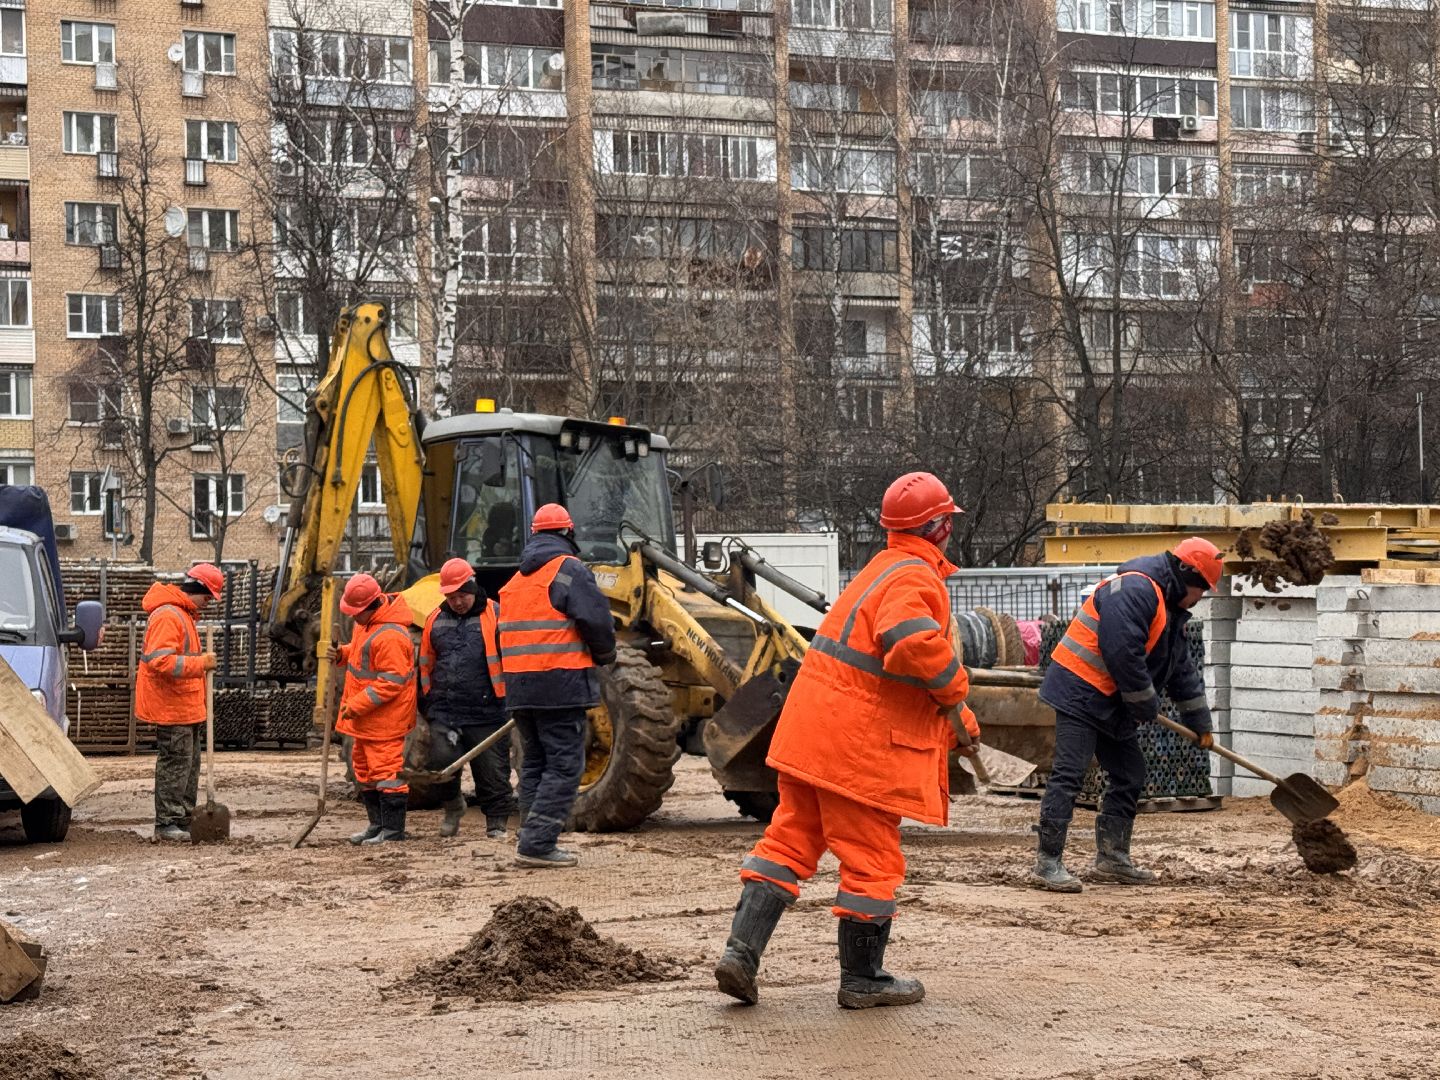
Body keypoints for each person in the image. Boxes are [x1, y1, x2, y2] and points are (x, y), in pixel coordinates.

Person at [714, 472, 979, 1010]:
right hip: (855, 749)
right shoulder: (915, 577)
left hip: (812, 735)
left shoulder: (878, 571)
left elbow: (879, 664)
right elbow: (908, 642)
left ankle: (740, 953)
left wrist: (960, 720)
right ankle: (863, 978)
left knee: (788, 842)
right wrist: (956, 686)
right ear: (941, 526)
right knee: (872, 860)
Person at [1030, 537, 1222, 892]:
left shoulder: (1171, 608)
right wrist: (1144, 702)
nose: (1201, 598)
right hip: (1079, 690)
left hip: (1110, 698)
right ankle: (1048, 861)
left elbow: (1181, 671)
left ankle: (1112, 858)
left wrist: (1201, 724)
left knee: (1130, 772)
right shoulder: (1135, 589)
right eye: (1202, 589)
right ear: (1186, 575)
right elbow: (1121, 652)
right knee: (1070, 773)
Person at [498, 503, 616, 869]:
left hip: (520, 688)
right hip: (559, 684)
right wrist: (605, 654)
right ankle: (537, 844)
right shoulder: (569, 570)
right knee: (565, 766)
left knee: (534, 763)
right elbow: (596, 620)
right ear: (568, 533)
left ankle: (530, 836)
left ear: (534, 534)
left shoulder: (516, 581)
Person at [419, 557, 514, 839]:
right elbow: (425, 663)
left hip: (488, 711)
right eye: (451, 596)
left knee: (493, 773)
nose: (457, 601)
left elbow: (511, 659)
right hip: (446, 711)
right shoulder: (434, 619)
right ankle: (453, 806)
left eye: (462, 595)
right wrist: (428, 703)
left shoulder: (496, 615)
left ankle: (496, 825)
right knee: (440, 764)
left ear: (473, 588)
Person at [330, 573, 418, 845]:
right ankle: (376, 825)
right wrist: (342, 654)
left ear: (372, 605)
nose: (353, 618)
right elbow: (362, 655)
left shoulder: (391, 635)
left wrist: (356, 705)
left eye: (357, 613)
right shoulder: (366, 625)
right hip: (367, 719)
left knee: (387, 774)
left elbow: (391, 682)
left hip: (384, 721)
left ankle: (392, 831)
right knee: (365, 772)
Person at [137, 564, 222, 841]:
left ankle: (183, 819)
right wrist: (201, 664)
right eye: (208, 597)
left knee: (189, 765)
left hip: (186, 707)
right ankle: (167, 823)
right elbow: (161, 662)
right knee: (175, 765)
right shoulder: (168, 615)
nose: (208, 604)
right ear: (197, 589)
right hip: (171, 707)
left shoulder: (184, 615)